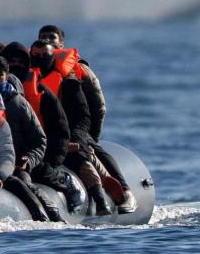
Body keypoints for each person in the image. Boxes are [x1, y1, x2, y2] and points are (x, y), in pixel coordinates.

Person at [37, 25, 136, 213]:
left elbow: (98, 104)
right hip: (49, 129)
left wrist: (90, 135)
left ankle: (124, 191)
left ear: (61, 43)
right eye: (44, 37)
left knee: (93, 150)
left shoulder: (79, 70)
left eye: (52, 37)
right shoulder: (34, 71)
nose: (48, 41)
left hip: (78, 126)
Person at [30, 39, 113, 215]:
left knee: (80, 157)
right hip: (36, 141)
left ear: (54, 56)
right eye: (36, 56)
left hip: (67, 138)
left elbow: (84, 116)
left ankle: (100, 198)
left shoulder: (69, 84)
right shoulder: (25, 83)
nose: (40, 59)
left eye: (45, 55)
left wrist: (76, 140)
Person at [0, 57, 63, 221]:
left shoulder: (18, 104)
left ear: (6, 76)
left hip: (16, 164)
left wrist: (29, 160)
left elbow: (40, 140)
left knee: (24, 183)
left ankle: (51, 215)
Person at [1, 42, 79, 210]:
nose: (16, 65)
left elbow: (59, 130)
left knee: (39, 172)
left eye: (20, 62)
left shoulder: (40, 93)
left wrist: (53, 160)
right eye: (11, 61)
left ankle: (62, 183)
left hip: (32, 155)